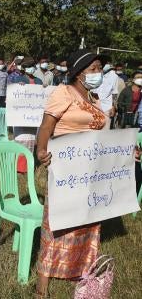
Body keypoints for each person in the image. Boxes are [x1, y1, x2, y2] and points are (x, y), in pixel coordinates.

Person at [35, 50, 107, 298]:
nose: (99, 73)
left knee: (87, 221)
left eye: (100, 68)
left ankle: (79, 269)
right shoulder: (63, 93)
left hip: (91, 171)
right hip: (66, 168)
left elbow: (104, 134)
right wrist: (41, 150)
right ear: (79, 72)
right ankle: (42, 283)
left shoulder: (94, 98)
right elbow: (46, 126)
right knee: (56, 223)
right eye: (95, 68)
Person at [93, 62, 119, 128]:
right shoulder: (95, 75)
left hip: (107, 108)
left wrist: (113, 107)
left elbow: (114, 92)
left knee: (105, 129)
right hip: (94, 105)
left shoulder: (114, 76)